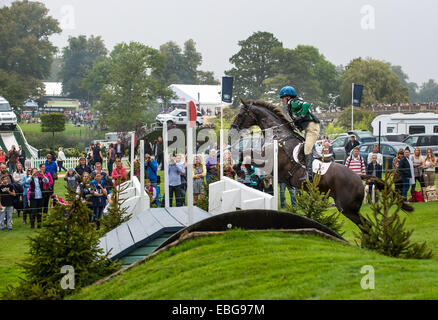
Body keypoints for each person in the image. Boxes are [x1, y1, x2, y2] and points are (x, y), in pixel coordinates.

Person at [280, 86, 320, 182]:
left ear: (288, 97)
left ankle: (309, 175)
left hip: (312, 128)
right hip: (308, 128)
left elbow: (306, 105)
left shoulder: (293, 102)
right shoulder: (291, 104)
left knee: (307, 149)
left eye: (283, 98)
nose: (282, 100)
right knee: (303, 148)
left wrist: (301, 116)